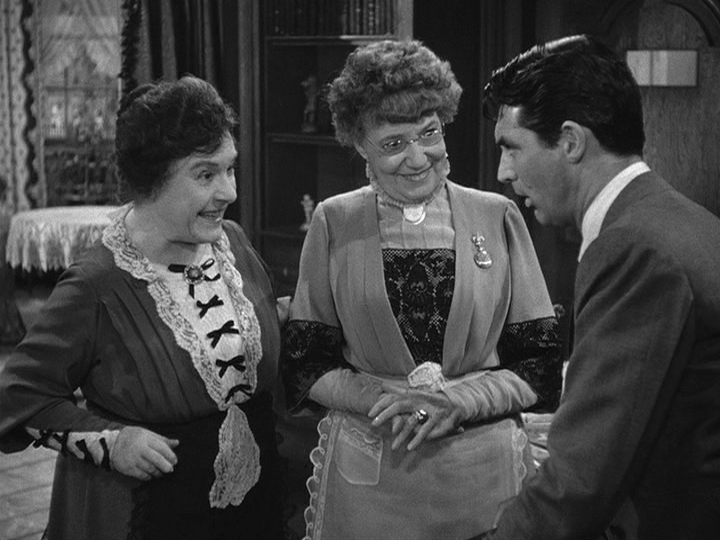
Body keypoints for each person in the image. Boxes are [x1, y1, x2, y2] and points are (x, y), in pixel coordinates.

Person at [280, 39, 564, 540]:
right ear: (360, 145)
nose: (417, 158)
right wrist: (381, 400)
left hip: (482, 482)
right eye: (393, 144)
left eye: (429, 133)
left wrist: (461, 402)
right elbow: (306, 364)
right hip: (372, 484)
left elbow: (539, 368)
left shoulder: (497, 216)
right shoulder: (334, 221)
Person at [0, 76, 284, 540]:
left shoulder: (233, 243)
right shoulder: (97, 283)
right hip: (151, 514)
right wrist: (112, 443)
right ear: (152, 181)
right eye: (206, 174)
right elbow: (18, 398)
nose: (229, 191)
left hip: (253, 505)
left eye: (230, 169)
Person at [479, 34, 720, 540]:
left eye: (511, 148)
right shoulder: (684, 219)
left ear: (570, 141)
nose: (503, 173)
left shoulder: (632, 246)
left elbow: (583, 475)